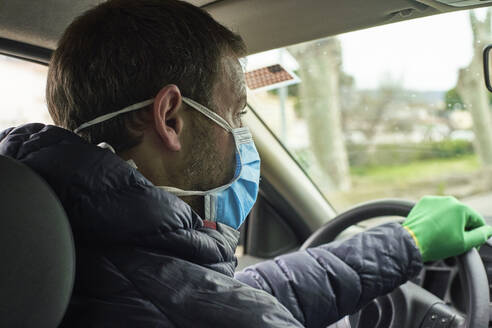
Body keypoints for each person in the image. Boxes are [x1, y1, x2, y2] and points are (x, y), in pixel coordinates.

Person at [1, 0, 491, 327]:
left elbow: (234, 290)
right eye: (236, 114)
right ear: (171, 118)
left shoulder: (60, 244)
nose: (242, 136)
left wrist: (405, 241)